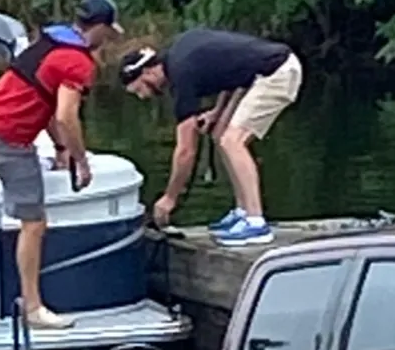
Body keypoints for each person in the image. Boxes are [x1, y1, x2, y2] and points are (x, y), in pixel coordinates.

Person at [0, 0, 120, 329]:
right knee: (35, 223)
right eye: (109, 31)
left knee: (6, 161)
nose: (110, 38)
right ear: (98, 28)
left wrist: (59, 148)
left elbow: (44, 104)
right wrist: (80, 162)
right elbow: (67, 116)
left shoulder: (50, 42)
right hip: (8, 134)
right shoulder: (77, 62)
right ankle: (33, 308)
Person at [117, 26, 303, 242]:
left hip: (276, 72)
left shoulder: (180, 75)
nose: (143, 96)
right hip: (255, 75)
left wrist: (170, 197)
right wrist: (217, 112)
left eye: (140, 89)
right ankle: (242, 212)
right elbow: (229, 71)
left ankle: (256, 222)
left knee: (233, 141)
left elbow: (186, 150)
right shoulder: (179, 54)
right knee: (220, 134)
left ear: (148, 72)